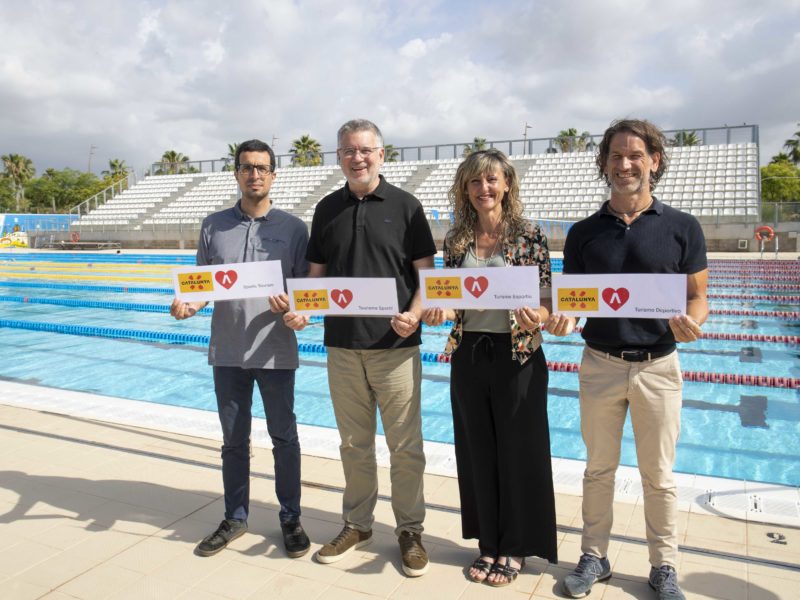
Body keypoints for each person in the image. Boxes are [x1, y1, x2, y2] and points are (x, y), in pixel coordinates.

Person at [547, 119, 708, 600]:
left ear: (654, 160)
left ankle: (665, 566)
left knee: (658, 475)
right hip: (600, 363)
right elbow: (572, 305)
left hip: (659, 365)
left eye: (635, 155)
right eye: (615, 156)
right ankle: (594, 556)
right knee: (599, 469)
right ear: (605, 164)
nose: (625, 165)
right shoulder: (583, 234)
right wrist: (565, 322)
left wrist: (693, 323)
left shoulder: (682, 227)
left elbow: (698, 297)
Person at [281, 118, 436, 577]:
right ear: (340, 156)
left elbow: (427, 277)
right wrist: (303, 310)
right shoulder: (327, 208)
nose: (357, 157)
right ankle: (358, 524)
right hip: (343, 348)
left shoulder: (407, 206)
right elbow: (315, 279)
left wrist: (416, 312)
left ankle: (410, 530)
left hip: (396, 346)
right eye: (348, 150)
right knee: (354, 444)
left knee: (406, 446)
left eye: (365, 150)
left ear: (381, 154)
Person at [421, 149, 558, 587]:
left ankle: (515, 546)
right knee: (477, 450)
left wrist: (538, 313)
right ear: (465, 187)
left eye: (492, 180)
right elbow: (448, 296)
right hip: (469, 354)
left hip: (517, 355)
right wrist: (438, 310)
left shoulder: (528, 234)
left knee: (519, 451)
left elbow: (547, 295)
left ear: (507, 185)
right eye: (476, 182)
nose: (485, 189)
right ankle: (488, 543)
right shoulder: (457, 238)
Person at [170, 139, 311, 559]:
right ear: (237, 173)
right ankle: (235, 517)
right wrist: (188, 304)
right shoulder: (213, 225)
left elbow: (305, 291)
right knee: (234, 440)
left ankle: (290, 518)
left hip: (275, 351)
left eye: (262, 168)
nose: (255, 175)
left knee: (284, 438)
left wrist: (299, 311)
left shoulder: (294, 229)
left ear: (273, 175)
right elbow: (202, 284)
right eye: (247, 167)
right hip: (228, 352)